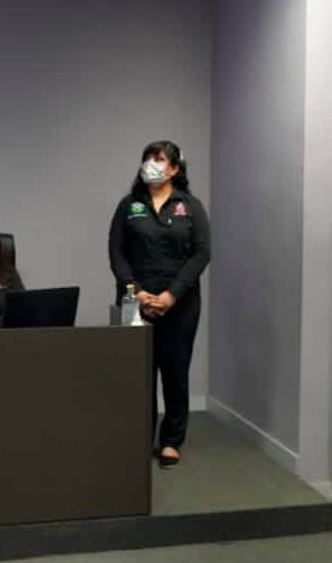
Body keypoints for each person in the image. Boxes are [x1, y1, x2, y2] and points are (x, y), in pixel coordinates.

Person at [108, 140, 211, 469]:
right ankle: (139, 438)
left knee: (175, 372)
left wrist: (171, 295)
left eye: (160, 159)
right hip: (134, 301)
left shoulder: (190, 206)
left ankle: (171, 441)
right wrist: (135, 291)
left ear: (175, 169)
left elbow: (201, 254)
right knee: (137, 375)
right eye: (148, 159)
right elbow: (116, 252)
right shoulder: (129, 205)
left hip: (180, 303)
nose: (152, 165)